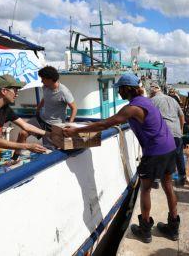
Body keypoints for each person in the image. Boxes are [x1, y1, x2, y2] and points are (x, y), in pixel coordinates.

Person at [63, 74, 180, 243]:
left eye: (119, 89)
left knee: (146, 189)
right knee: (168, 186)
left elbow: (105, 124)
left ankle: (145, 230)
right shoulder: (146, 101)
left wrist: (75, 131)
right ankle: (173, 228)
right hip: (169, 147)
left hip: (155, 151)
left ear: (127, 89)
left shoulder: (131, 108)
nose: (118, 92)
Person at [16, 66, 77, 153]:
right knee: (22, 133)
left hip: (54, 125)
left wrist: (69, 124)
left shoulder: (64, 92)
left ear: (50, 79)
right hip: (41, 119)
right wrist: (38, 109)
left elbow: (74, 108)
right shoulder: (45, 86)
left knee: (50, 151)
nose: (41, 81)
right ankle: (16, 157)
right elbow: (45, 98)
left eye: (43, 79)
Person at [150, 82, 186, 186]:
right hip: (177, 132)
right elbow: (182, 116)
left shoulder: (152, 101)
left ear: (152, 92)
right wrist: (181, 129)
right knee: (179, 155)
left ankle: (156, 180)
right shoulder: (172, 100)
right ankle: (182, 177)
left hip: (164, 133)